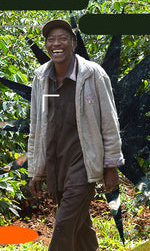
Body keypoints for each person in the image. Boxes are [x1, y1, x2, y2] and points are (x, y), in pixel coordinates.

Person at [27, 19, 125, 251]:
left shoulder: (93, 74)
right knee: (80, 226)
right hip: (56, 163)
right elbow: (36, 125)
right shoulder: (41, 77)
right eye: (51, 40)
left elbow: (109, 122)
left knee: (63, 224)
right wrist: (35, 170)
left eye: (62, 38)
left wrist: (111, 167)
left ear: (73, 43)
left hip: (83, 163)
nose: (56, 44)